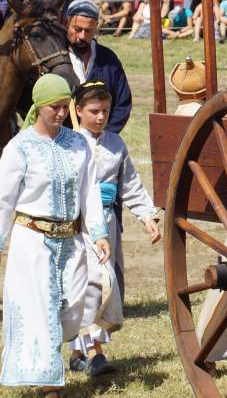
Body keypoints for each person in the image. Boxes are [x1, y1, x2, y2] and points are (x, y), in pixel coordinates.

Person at [0, 74, 110, 397]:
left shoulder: (78, 144)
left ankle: (43, 359)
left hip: (71, 242)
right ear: (38, 106)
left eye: (65, 107)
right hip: (32, 241)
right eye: (54, 108)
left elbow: (89, 191)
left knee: (72, 307)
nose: (61, 114)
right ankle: (49, 384)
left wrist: (99, 232)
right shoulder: (19, 149)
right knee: (42, 308)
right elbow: (4, 199)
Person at [67, 81, 161, 377]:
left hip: (107, 223)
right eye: (94, 111)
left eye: (105, 111)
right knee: (90, 283)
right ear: (78, 110)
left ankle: (82, 351)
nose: (100, 117)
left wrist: (146, 215)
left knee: (103, 281)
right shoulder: (70, 145)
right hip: (79, 226)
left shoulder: (115, 144)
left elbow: (130, 184)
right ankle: (93, 353)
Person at [65, 0, 132, 134]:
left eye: (88, 31)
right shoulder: (56, 59)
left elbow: (122, 102)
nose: (82, 36)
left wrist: (105, 136)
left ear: (96, 27)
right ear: (67, 24)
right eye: (77, 29)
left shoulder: (108, 59)